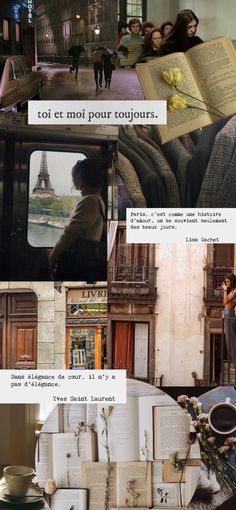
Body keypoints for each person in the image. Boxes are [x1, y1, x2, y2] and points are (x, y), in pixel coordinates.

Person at [49, 159, 106, 280]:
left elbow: (69, 234)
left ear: (80, 178)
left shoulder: (89, 201)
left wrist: (53, 256)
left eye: (73, 176)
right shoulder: (98, 199)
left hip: (78, 264)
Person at [221, 274, 236, 366]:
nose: (226, 283)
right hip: (227, 313)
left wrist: (225, 290)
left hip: (229, 313)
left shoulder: (235, 291)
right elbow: (224, 303)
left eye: (228, 281)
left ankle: (235, 360)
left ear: (232, 281)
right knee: (228, 339)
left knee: (231, 339)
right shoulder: (231, 291)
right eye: (226, 282)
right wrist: (225, 291)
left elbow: (226, 302)